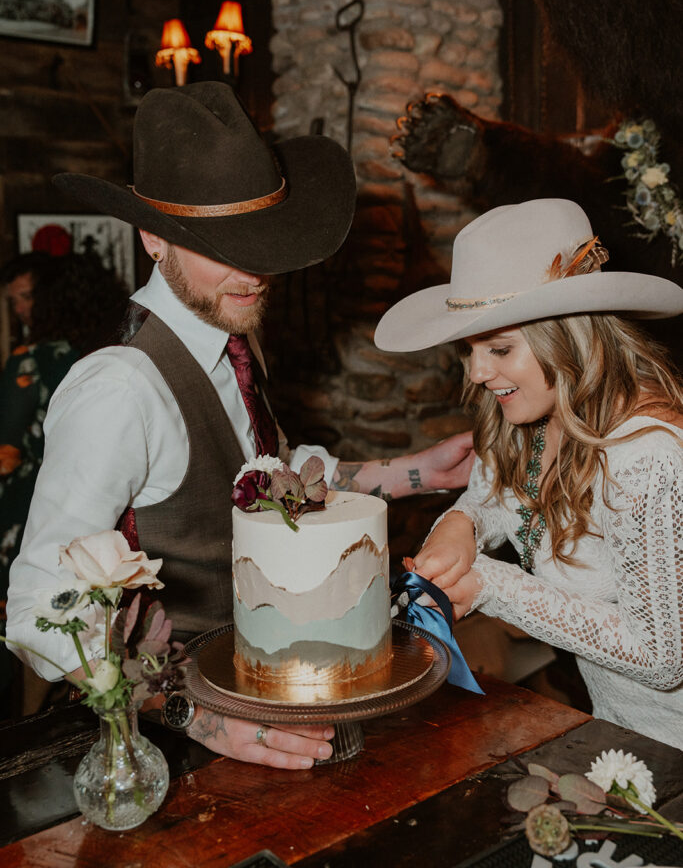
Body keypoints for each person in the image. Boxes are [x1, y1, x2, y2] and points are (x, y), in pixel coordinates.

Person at [6, 81, 474, 769]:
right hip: (168, 741)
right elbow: (37, 608)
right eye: (221, 244)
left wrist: (407, 475)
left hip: (267, 691)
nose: (254, 270)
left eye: (262, 240)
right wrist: (192, 717)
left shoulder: (229, 333)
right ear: (154, 237)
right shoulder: (118, 389)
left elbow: (264, 471)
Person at [374, 197, 683, 748]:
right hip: (616, 729)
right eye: (469, 348)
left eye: (499, 347)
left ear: (568, 335)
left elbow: (661, 656)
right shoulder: (534, 411)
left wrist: (492, 584)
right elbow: (491, 494)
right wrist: (461, 523)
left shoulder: (648, 457)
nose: (477, 372)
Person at [1, 252, 128, 715]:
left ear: (50, 300)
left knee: (36, 621)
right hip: (97, 509)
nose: (21, 311)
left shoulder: (29, 361)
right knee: (81, 619)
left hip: (27, 509)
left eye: (27, 299)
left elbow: (6, 448)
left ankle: (27, 725)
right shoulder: (107, 356)